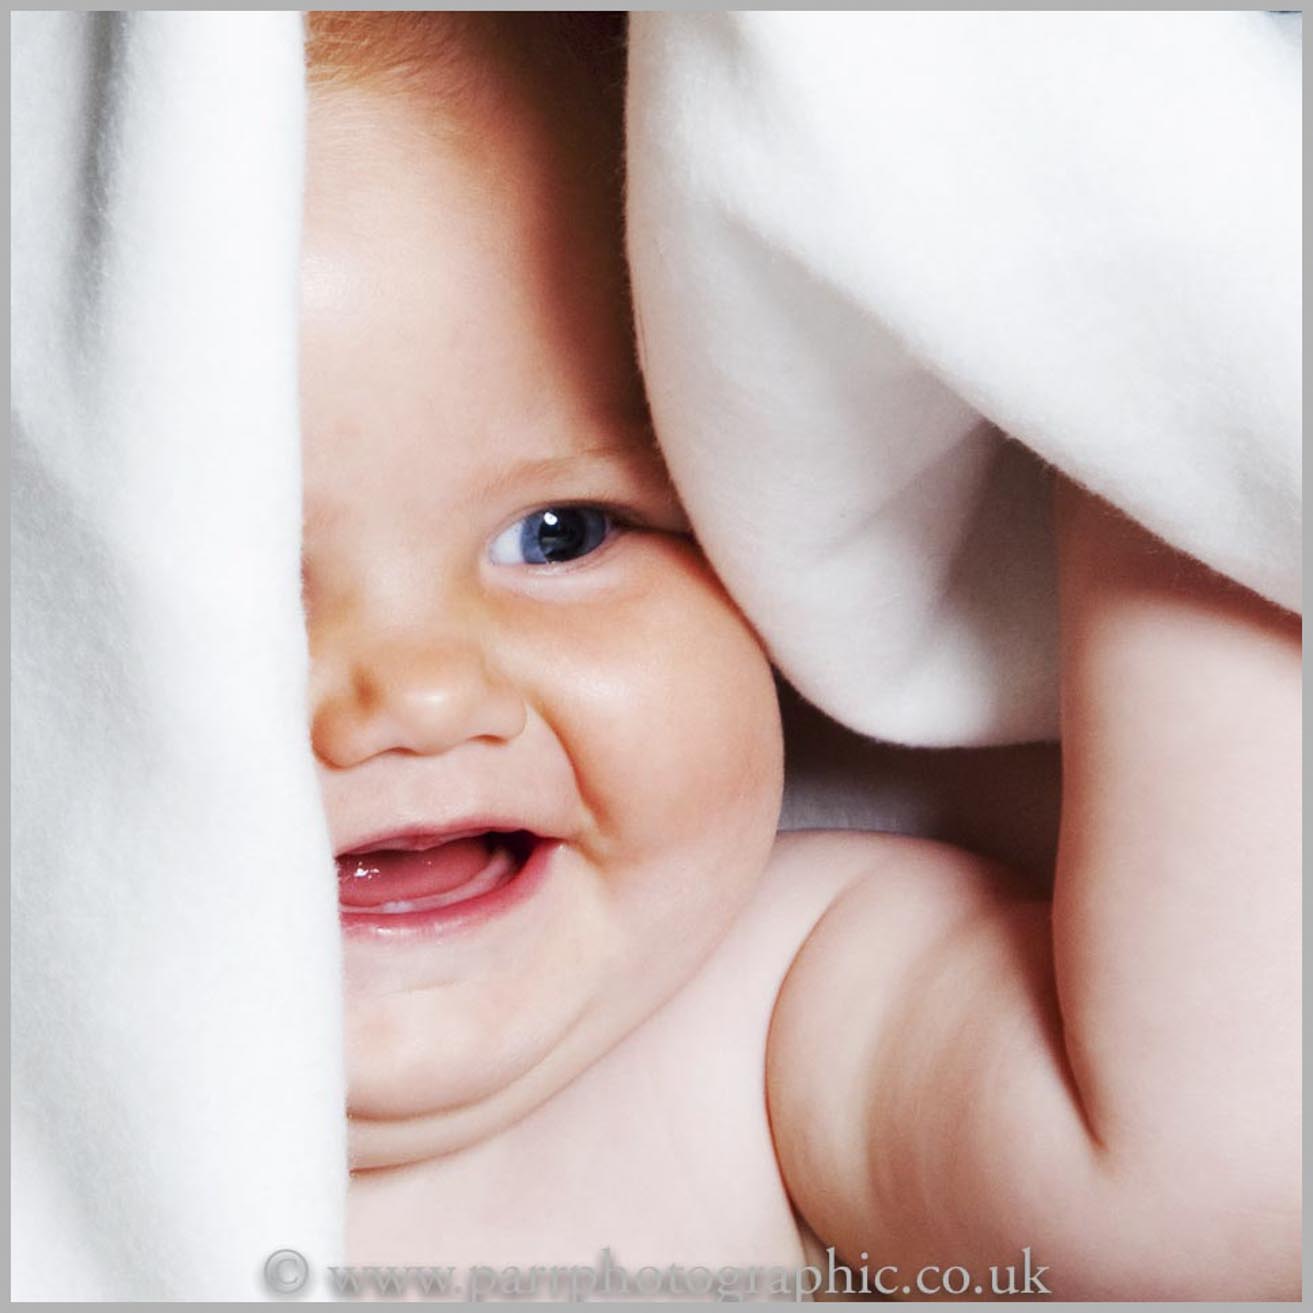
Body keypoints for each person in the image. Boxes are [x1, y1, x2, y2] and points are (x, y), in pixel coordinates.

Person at [299, 12, 1299, 1299]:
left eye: (562, 532)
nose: (423, 691)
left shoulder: (757, 1008)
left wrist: (1152, 334)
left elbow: (1200, 1205)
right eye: (249, 589)